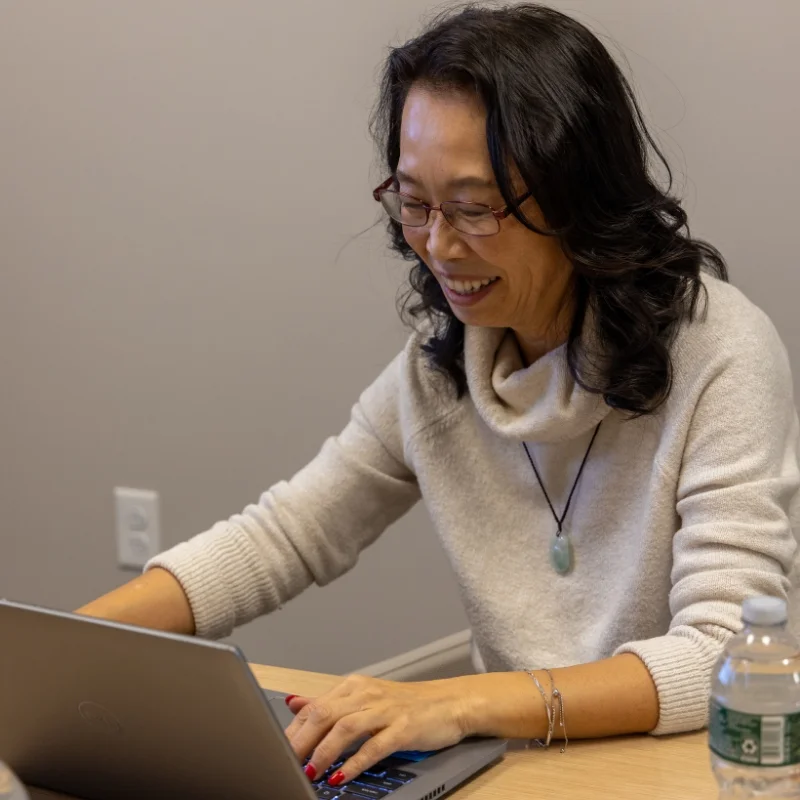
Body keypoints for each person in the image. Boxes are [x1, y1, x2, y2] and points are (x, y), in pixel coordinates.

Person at [77, 2, 799, 790]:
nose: (438, 246)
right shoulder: (446, 364)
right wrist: (51, 657)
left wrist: (455, 703)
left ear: (578, 199)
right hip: (505, 771)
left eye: (475, 208)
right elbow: (282, 536)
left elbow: (720, 651)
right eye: (414, 203)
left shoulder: (717, 350)